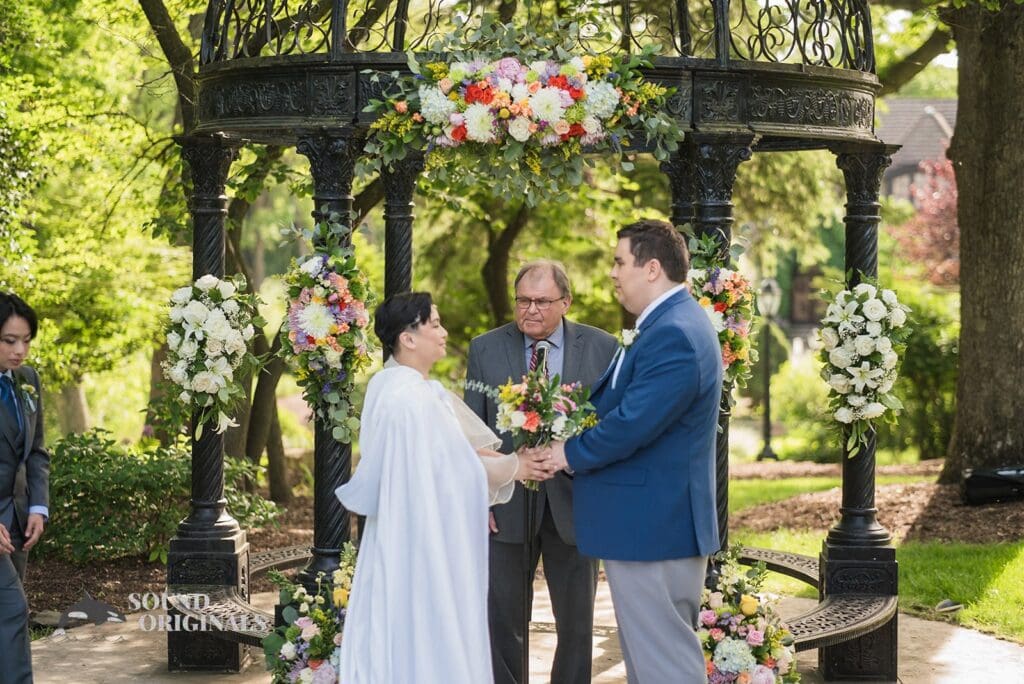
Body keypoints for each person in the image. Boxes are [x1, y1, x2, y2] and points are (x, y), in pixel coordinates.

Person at [335, 292, 553, 684]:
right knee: (429, 629)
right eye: (434, 324)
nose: (444, 332)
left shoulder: (390, 387)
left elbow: (455, 454)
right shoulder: (413, 399)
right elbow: (454, 470)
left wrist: (509, 464)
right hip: (423, 544)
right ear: (408, 338)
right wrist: (516, 466)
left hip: (402, 535)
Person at [546, 220, 723, 683]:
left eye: (619, 262)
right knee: (652, 664)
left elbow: (631, 425)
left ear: (651, 268)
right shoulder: (665, 323)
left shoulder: (675, 334)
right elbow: (615, 407)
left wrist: (567, 453)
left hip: (654, 528)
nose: (613, 273)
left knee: (665, 666)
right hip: (649, 526)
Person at [465, 260, 618, 684]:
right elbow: (472, 435)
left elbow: (613, 429)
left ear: (565, 302)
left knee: (576, 625)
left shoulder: (603, 348)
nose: (530, 309)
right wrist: (481, 497)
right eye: (523, 301)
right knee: (503, 620)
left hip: (577, 504)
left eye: (542, 301)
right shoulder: (485, 349)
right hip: (507, 503)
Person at [0, 292, 49, 684]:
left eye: (26, 340)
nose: (21, 350)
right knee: (13, 611)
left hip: (17, 520)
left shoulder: (28, 380)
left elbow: (35, 451)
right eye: (9, 340)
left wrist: (38, 507)